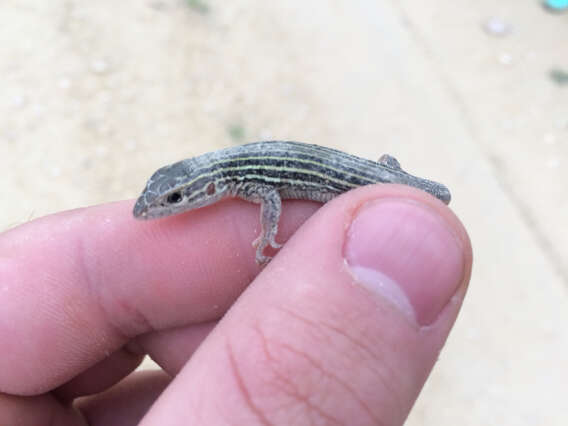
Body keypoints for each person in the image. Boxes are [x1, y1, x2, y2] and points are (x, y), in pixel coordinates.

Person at [0, 184, 472, 425]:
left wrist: (268, 235)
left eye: (174, 199)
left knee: (413, 202)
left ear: (206, 189)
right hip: (369, 185)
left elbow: (269, 196)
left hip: (358, 186)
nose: (160, 209)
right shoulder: (234, 180)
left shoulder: (245, 182)